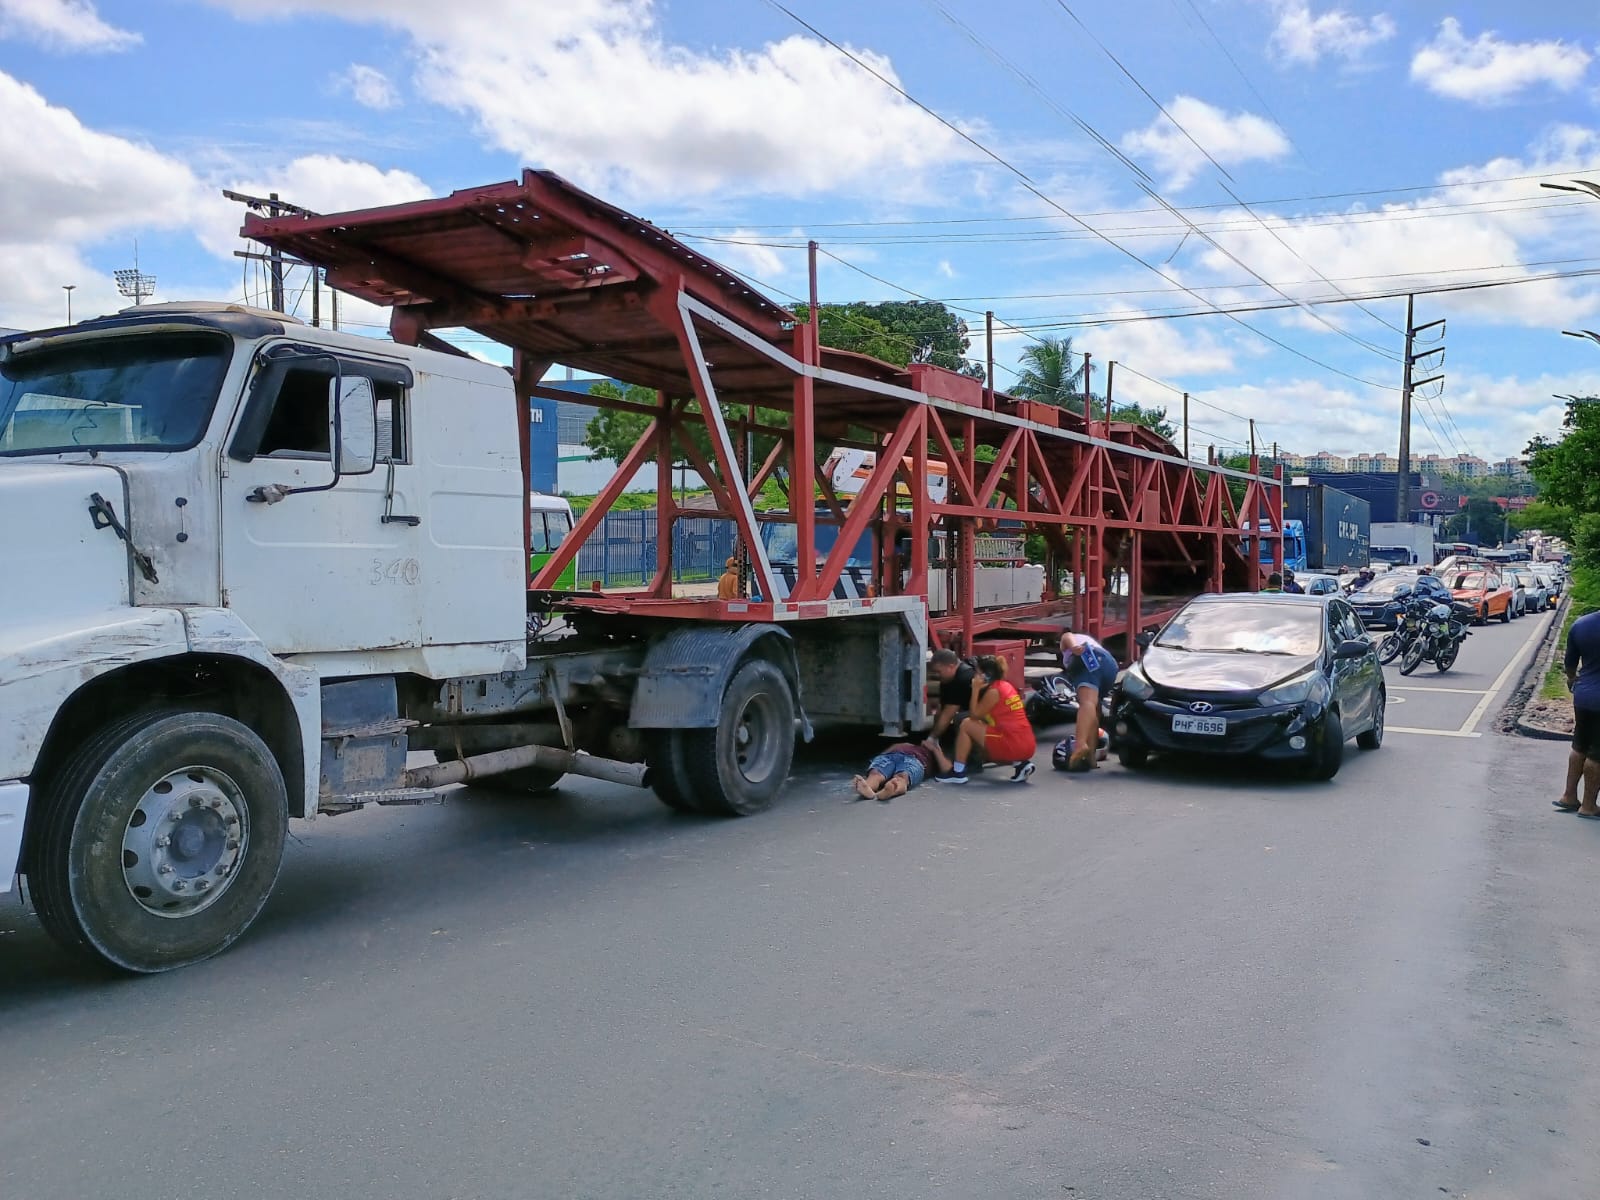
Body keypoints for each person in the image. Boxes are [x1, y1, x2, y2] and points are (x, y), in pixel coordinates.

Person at [935, 655, 1036, 784]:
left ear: (985, 676)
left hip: (1012, 744)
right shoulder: (1006, 686)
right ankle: (1021, 764)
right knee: (981, 724)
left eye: (977, 673)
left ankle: (958, 772)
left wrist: (975, 689)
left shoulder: (994, 692)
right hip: (1026, 743)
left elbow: (973, 715)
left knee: (966, 724)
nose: (974, 676)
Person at [1555, 608, 1600, 818]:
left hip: (1583, 695)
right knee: (1597, 755)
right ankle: (1589, 806)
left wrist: (1573, 681)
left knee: (1579, 745)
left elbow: (1570, 665)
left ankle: (1569, 796)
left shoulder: (1581, 624)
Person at [1059, 628, 1119, 771]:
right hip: (1110, 666)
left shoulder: (1070, 639)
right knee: (1093, 710)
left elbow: (1067, 637)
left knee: (1086, 702)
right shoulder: (1091, 640)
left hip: (1087, 658)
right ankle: (1091, 757)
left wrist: (1074, 648)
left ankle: (1080, 744)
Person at [849, 738, 947, 802]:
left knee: (902, 776)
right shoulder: (906, 744)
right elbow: (886, 752)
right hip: (891, 756)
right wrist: (877, 761)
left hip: (915, 760)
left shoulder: (931, 753)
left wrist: (935, 749)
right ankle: (868, 788)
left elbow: (946, 768)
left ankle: (891, 789)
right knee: (876, 773)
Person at [928, 648, 976, 745]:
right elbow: (941, 709)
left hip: (990, 716)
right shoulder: (947, 679)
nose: (936, 675)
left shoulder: (963, 678)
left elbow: (948, 714)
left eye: (938, 671)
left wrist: (931, 739)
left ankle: (970, 757)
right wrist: (934, 735)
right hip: (975, 710)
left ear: (951, 666)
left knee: (961, 719)